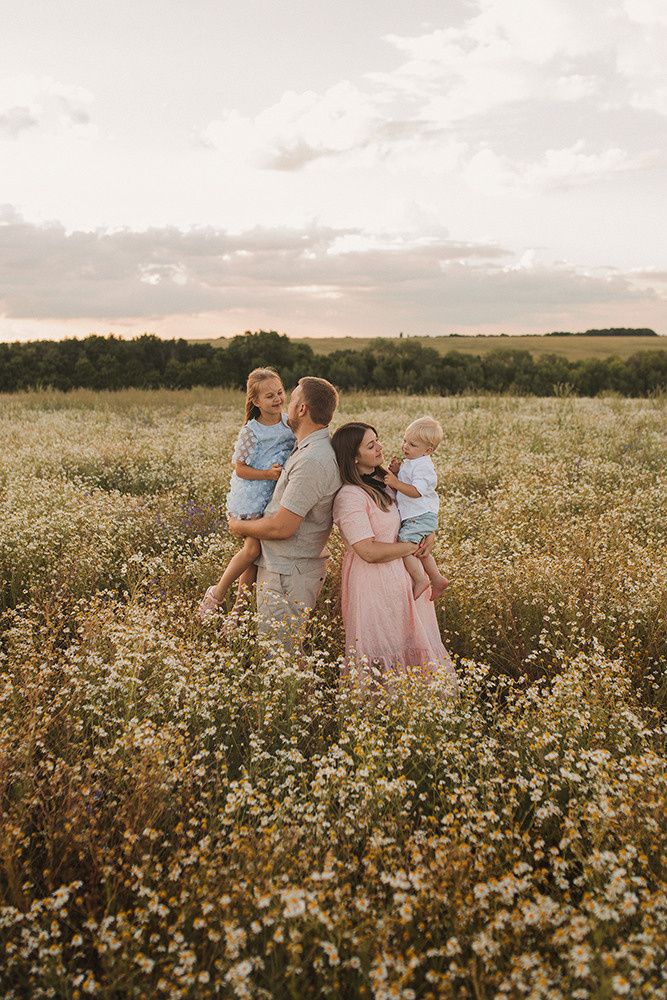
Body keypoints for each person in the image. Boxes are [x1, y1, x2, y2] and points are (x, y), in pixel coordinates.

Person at [331, 421, 456, 685]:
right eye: (370, 444)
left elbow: (416, 508)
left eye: (377, 440)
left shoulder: (386, 480)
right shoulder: (350, 496)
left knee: (414, 654)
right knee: (382, 656)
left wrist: (428, 532)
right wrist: (413, 547)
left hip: (409, 583)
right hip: (375, 587)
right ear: (354, 456)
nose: (380, 447)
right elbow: (368, 551)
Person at [227, 376, 341, 651]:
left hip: (288, 576)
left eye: (290, 398)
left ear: (302, 410)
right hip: (282, 569)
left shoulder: (312, 459)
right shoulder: (304, 447)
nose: (284, 403)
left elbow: (282, 527)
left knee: (278, 659)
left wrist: (238, 527)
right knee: (284, 658)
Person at [197, 367, 295, 621]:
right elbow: (240, 469)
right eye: (269, 396)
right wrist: (268, 475)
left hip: (273, 497)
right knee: (251, 551)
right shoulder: (251, 431)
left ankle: (237, 617)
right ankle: (216, 594)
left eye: (280, 393)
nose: (277, 399)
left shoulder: (289, 423)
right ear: (255, 402)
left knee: (255, 560)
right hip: (252, 495)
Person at [382, 416, 449, 601]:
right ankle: (437, 578)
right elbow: (405, 485)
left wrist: (395, 481)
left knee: (406, 544)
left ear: (428, 451)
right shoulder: (413, 462)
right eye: (405, 440)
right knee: (420, 548)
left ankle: (421, 579)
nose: (405, 446)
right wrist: (396, 472)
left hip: (420, 515)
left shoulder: (424, 467)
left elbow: (416, 491)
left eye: (412, 444)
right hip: (419, 515)